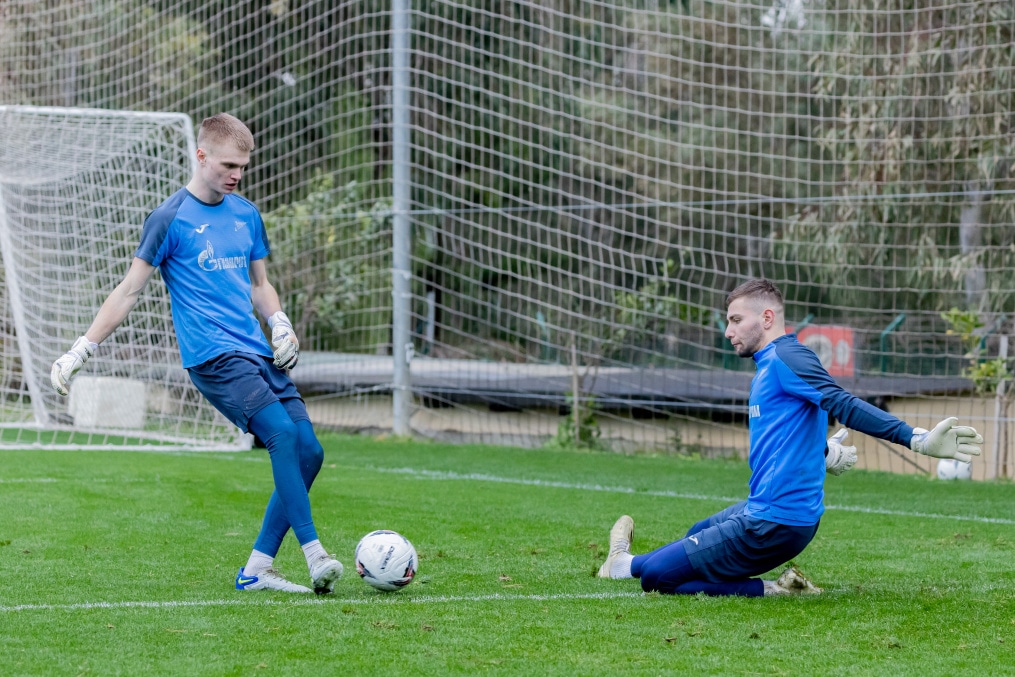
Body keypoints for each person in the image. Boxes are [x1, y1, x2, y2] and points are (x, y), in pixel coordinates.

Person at [50, 113, 343, 595]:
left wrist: (281, 323)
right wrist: (82, 349)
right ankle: (315, 555)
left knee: (311, 449)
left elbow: (261, 285)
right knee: (282, 436)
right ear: (201, 155)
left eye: (244, 166)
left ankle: (257, 569)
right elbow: (127, 291)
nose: (237, 174)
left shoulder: (246, 213)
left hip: (256, 354)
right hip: (213, 358)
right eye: (229, 163)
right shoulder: (169, 219)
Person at [597, 278, 983, 596]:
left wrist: (915, 438)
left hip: (774, 523)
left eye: (735, 320)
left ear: (766, 317)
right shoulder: (772, 364)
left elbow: (840, 401)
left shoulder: (787, 358)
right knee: (697, 534)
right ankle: (620, 562)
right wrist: (824, 451)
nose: (728, 331)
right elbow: (795, 423)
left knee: (657, 579)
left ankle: (769, 589)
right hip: (764, 510)